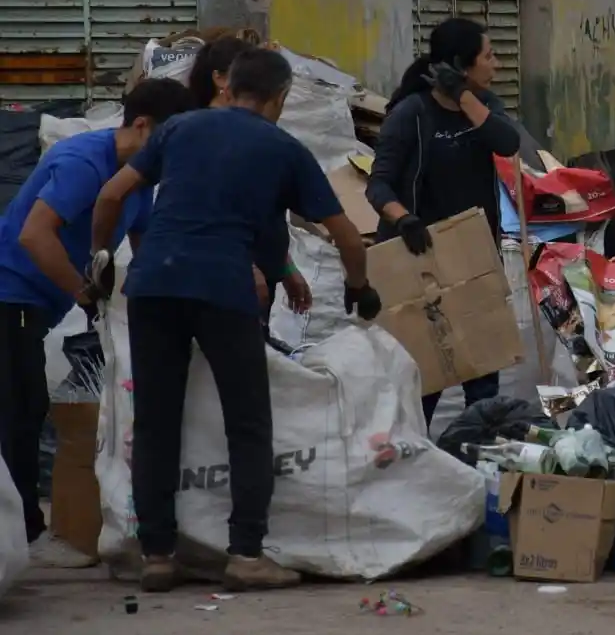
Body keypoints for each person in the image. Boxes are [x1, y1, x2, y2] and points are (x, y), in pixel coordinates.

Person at [90, 49, 383, 593]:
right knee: (247, 423)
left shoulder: (178, 130)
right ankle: (246, 553)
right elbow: (345, 233)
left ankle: (157, 554)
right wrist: (359, 288)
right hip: (224, 290)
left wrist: (99, 262)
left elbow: (110, 195)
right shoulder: (283, 148)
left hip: (154, 284)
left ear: (230, 87)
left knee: (155, 421)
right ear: (280, 98)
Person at [0, 79, 195, 557]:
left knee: (24, 410)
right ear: (143, 125)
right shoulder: (85, 163)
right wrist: (84, 294)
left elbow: (147, 250)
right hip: (8, 295)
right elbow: (33, 235)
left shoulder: (137, 181)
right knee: (18, 415)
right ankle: (24, 536)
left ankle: (24, 532)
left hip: (35, 305)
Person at [367, 18, 521, 428]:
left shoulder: (484, 107)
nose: (497, 65)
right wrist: (404, 220)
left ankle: (479, 464)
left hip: (473, 256)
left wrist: (463, 95)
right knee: (425, 381)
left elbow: (508, 143)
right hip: (421, 259)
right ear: (461, 63)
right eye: (489, 56)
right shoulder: (411, 114)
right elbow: (378, 184)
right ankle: (416, 465)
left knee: (484, 384)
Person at [186, 36, 312, 329]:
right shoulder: (203, 132)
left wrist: (285, 267)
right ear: (219, 79)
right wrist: (247, 267)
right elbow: (213, 210)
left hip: (256, 272)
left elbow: (263, 211)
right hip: (227, 274)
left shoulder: (256, 132)